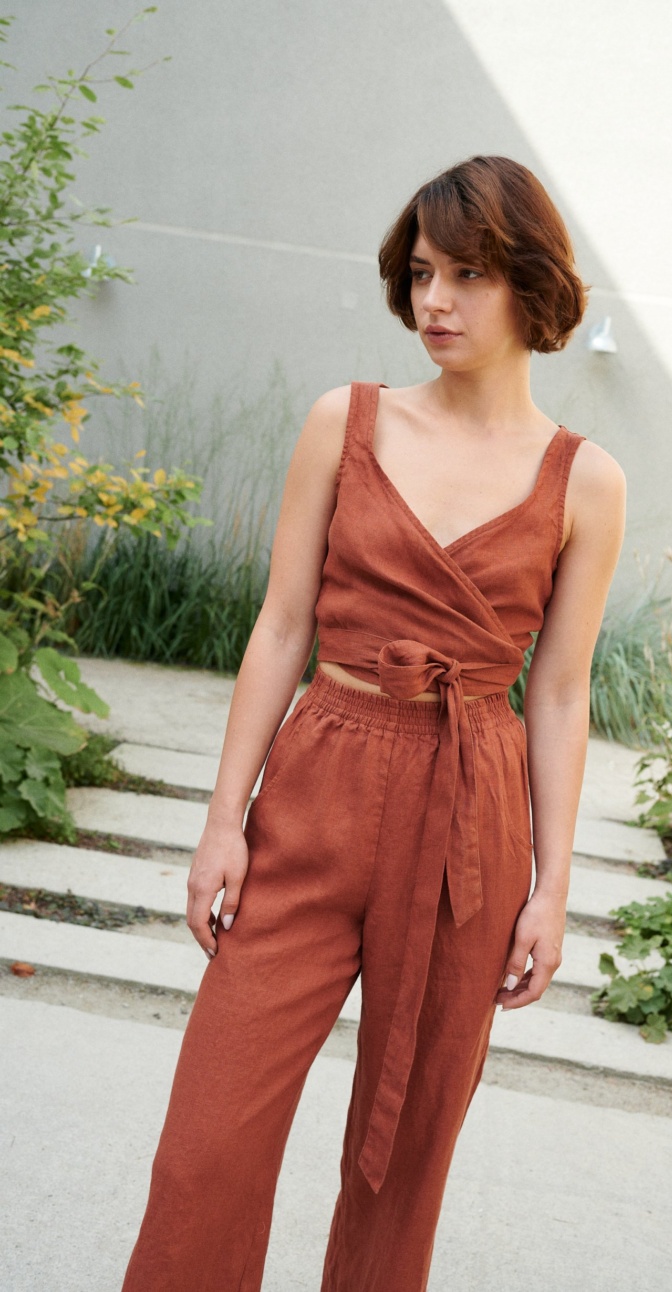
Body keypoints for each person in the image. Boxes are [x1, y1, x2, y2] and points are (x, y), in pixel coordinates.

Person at [122, 153, 626, 1292]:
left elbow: (555, 688)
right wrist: (221, 823)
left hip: (468, 815)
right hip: (318, 786)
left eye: (468, 274)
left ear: (530, 283)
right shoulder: (343, 422)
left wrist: (549, 883)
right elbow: (279, 625)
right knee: (206, 1146)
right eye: (419, 273)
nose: (433, 302)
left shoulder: (584, 481)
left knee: (405, 1163)